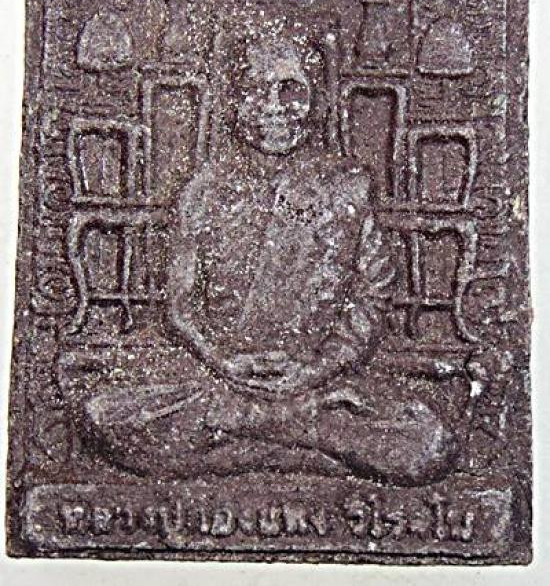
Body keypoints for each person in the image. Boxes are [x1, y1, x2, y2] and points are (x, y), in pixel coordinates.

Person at [84, 38, 457, 484]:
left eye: (290, 90)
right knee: (103, 416)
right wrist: (222, 360)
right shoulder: (203, 191)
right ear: (234, 103)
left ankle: (250, 434)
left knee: (429, 443)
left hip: (317, 385)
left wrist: (315, 369)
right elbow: (180, 306)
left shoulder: (347, 188)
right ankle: (307, 444)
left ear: (315, 101)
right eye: (256, 91)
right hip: (222, 382)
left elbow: (371, 296)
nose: (273, 107)